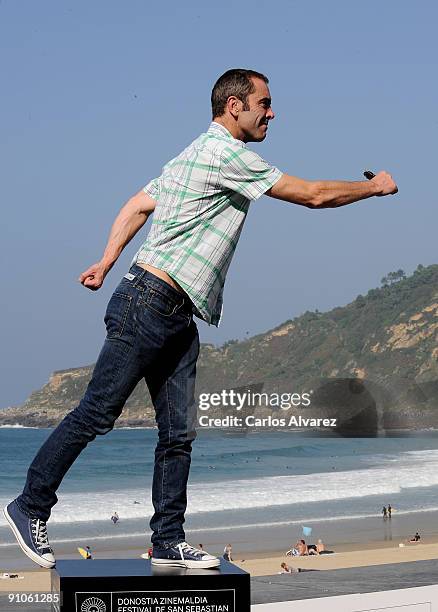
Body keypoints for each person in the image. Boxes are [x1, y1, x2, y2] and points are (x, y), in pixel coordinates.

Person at [3, 68, 398, 571]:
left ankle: (168, 540)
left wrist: (106, 261)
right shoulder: (227, 154)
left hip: (174, 313)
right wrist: (375, 189)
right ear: (235, 106)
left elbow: (137, 205)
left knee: (178, 434)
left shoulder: (190, 154)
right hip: (148, 302)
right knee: (96, 414)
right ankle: (30, 505)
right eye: (264, 103)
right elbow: (313, 195)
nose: (271, 113)